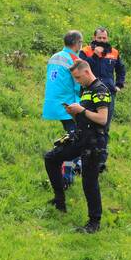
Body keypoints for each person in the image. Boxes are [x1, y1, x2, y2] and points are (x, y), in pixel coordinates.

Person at [44, 60, 111, 234]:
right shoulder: (85, 89)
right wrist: (74, 114)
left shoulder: (100, 90)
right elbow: (85, 117)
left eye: (78, 77)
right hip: (80, 137)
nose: (77, 81)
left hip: (94, 142)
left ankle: (94, 222)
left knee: (89, 182)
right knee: (51, 158)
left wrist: (81, 110)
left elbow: (102, 119)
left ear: (87, 72)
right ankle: (60, 202)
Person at [42, 30, 84, 187]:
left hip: (54, 103)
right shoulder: (74, 59)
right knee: (73, 140)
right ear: (76, 43)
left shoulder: (54, 56)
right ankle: (66, 176)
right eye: (81, 43)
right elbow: (79, 84)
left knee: (72, 136)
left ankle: (75, 165)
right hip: (69, 105)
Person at [80, 26, 126, 167]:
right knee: (85, 124)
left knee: (104, 126)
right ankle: (84, 158)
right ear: (94, 38)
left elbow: (121, 69)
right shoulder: (85, 51)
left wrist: (119, 84)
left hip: (108, 94)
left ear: (107, 39)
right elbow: (83, 68)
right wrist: (95, 55)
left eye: (104, 38)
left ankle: (101, 161)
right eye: (99, 38)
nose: (102, 40)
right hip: (89, 93)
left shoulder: (114, 52)